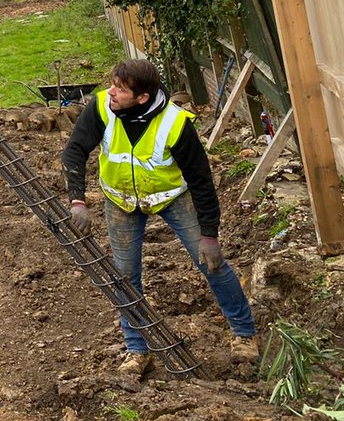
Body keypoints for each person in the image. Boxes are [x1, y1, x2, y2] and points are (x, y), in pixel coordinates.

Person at [60, 58, 258, 376]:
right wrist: (77, 201)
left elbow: (201, 181)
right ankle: (137, 350)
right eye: (113, 84)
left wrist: (209, 235)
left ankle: (244, 333)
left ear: (142, 98)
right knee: (125, 277)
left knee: (212, 263)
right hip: (121, 200)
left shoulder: (175, 124)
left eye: (120, 89)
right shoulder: (101, 107)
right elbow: (75, 151)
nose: (111, 92)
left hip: (172, 197)